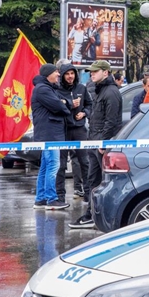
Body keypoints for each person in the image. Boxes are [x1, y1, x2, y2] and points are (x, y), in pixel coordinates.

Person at [72, 60, 122, 228]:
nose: (91, 74)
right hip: (94, 141)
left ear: (105, 72)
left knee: (103, 181)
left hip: (101, 143)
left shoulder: (111, 92)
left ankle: (101, 216)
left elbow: (112, 121)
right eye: (91, 72)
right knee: (93, 179)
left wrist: (104, 142)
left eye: (95, 71)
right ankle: (91, 214)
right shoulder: (100, 90)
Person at [31, 64, 71, 210]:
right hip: (50, 134)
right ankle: (51, 199)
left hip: (49, 133)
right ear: (48, 74)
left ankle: (40, 199)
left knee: (45, 167)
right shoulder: (43, 89)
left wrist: (64, 102)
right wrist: (63, 104)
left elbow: (64, 102)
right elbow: (59, 107)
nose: (59, 75)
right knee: (53, 165)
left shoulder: (47, 88)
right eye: (56, 72)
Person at [55, 63, 92, 200]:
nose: (70, 76)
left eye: (72, 73)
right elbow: (56, 107)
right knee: (61, 164)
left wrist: (84, 113)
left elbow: (89, 104)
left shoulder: (81, 88)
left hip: (79, 129)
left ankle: (87, 193)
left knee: (85, 162)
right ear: (62, 75)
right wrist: (70, 104)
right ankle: (60, 196)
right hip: (63, 130)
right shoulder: (57, 90)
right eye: (67, 74)